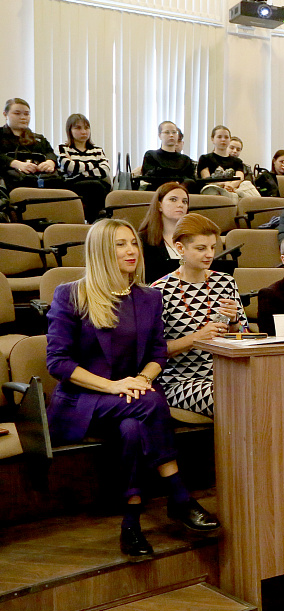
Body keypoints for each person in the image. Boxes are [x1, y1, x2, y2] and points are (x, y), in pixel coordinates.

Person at [46, 219, 219, 556]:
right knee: (152, 404)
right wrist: (113, 387)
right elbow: (59, 363)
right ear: (100, 252)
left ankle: (131, 522)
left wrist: (143, 379)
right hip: (82, 403)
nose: (130, 251)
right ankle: (179, 496)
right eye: (120, 245)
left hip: (132, 398)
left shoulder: (149, 297)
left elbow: (157, 353)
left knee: (131, 428)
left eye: (133, 244)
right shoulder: (71, 294)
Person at [152, 214, 248, 416]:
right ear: (180, 249)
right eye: (201, 248)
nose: (209, 254)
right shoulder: (159, 291)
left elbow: (244, 334)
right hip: (179, 380)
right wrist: (196, 338)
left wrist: (234, 323)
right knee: (233, 397)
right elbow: (153, 351)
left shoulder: (225, 282)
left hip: (225, 372)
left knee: (269, 389)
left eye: (213, 247)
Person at [57, 113, 112, 221]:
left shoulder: (97, 150)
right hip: (72, 186)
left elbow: (105, 170)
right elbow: (69, 167)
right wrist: (94, 165)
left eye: (86, 128)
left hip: (96, 186)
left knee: (99, 186)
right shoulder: (63, 148)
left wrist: (80, 170)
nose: (84, 131)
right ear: (70, 130)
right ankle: (97, 220)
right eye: (78, 128)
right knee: (96, 185)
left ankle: (95, 221)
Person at [1, 97, 63, 190]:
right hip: (10, 184)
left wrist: (50, 162)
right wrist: (16, 164)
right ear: (5, 115)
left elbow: (50, 153)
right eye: (17, 113)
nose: (23, 117)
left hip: (40, 182)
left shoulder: (38, 139)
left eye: (26, 114)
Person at [138, 182, 191, 284]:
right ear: (159, 205)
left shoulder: (195, 237)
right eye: (173, 200)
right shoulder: (142, 240)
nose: (180, 205)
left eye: (184, 202)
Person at [197, 125, 252, 199]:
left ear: (229, 140)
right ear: (212, 139)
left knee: (247, 184)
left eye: (226, 137)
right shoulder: (205, 158)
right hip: (215, 188)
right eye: (219, 137)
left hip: (234, 189)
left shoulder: (237, 161)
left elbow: (239, 178)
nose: (223, 140)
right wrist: (224, 185)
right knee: (211, 189)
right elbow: (207, 179)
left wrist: (231, 186)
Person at [139, 121, 196, 191]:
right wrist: (173, 182)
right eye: (167, 132)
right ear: (159, 135)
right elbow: (149, 177)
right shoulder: (151, 155)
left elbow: (191, 180)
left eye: (174, 132)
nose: (171, 135)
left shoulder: (185, 159)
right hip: (157, 192)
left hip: (181, 192)